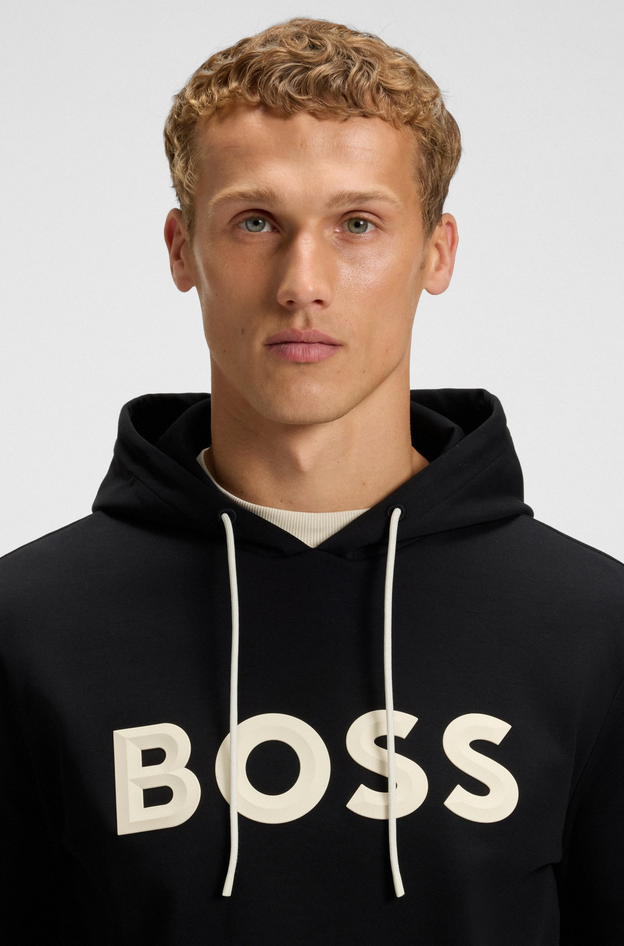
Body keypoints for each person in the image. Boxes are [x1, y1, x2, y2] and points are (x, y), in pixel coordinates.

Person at [1, 14, 623, 945]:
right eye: (256, 222)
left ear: (437, 252)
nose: (303, 282)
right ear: (181, 249)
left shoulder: (595, 629)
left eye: (357, 224)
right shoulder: (26, 630)